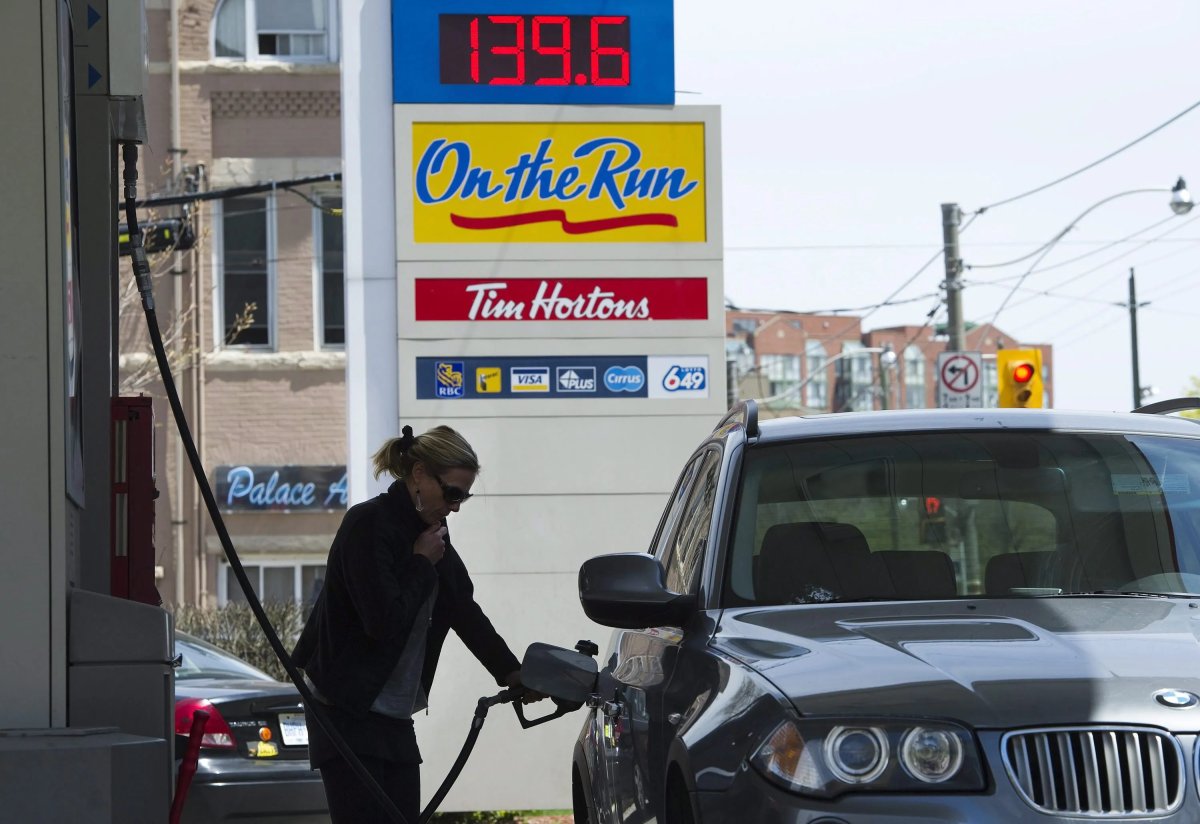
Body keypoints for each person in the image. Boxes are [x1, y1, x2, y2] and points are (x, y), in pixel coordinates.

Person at [293, 424, 535, 823]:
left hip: (392, 714)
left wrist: (513, 672)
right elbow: (383, 622)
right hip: (345, 708)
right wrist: (421, 563)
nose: (456, 506)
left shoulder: (431, 531)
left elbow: (462, 608)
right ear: (419, 474)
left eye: (464, 496)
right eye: (452, 493)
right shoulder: (369, 524)